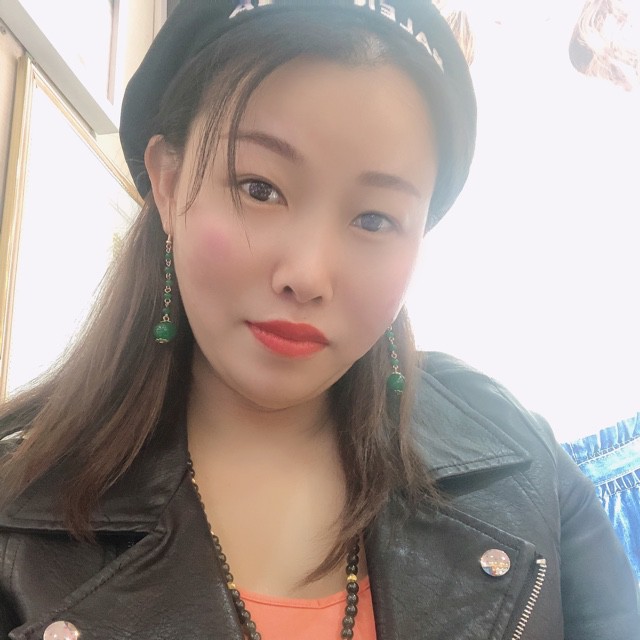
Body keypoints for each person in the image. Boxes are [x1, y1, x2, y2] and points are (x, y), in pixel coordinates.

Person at [0, 1, 637, 639]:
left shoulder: (518, 457)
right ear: (167, 183)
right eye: (259, 188)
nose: (307, 274)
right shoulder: (14, 513)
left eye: (374, 219)